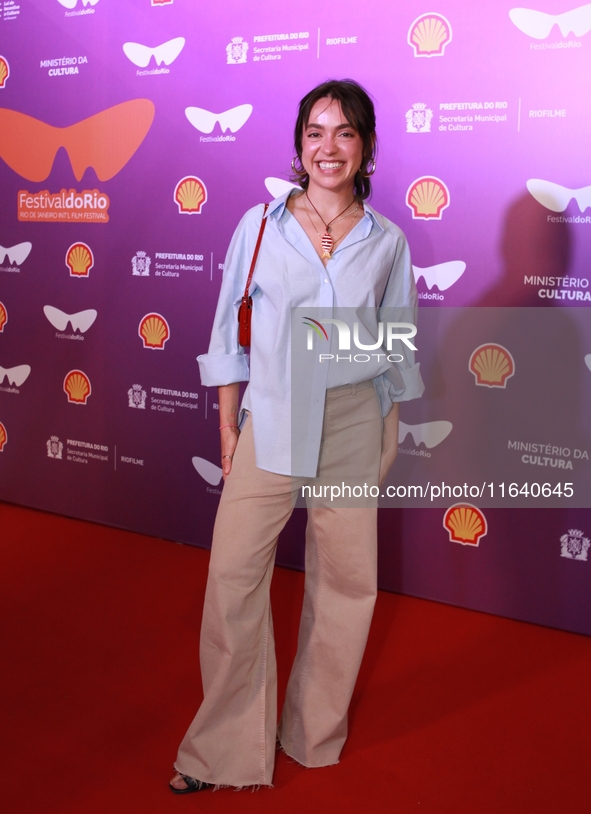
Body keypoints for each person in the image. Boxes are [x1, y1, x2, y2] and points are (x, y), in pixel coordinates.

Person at [169, 79, 424, 793]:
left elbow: (397, 337)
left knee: (346, 584)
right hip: (273, 415)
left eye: (344, 133)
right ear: (298, 145)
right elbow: (228, 328)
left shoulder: (388, 241)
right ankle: (224, 751)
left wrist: (389, 424)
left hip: (352, 418)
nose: (328, 147)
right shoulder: (258, 226)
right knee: (231, 579)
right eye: (315, 132)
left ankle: (312, 735)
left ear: (365, 145)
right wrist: (226, 421)